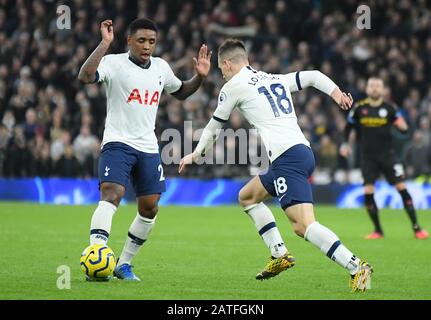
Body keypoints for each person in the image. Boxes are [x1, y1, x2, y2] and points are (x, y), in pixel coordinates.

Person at [179, 39, 372, 292]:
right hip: (298, 152)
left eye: (221, 69)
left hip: (287, 158)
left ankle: (356, 266)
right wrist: (335, 92)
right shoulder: (273, 78)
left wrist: (195, 154)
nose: (222, 74)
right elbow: (313, 76)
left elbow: (215, 126)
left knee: (303, 226)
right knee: (247, 197)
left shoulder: (232, 86)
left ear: (227, 63)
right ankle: (278, 253)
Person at [78, 18, 211, 281]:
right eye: (141, 40)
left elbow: (181, 92)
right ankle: (98, 253)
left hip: (148, 147)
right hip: (117, 142)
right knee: (111, 193)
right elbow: (85, 76)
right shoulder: (114, 62)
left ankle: (123, 264)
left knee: (150, 208)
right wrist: (104, 43)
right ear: (129, 41)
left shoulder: (160, 67)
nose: (147, 46)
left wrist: (200, 76)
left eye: (151, 41)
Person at [340, 77, 428, 240]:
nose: (374, 88)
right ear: (367, 89)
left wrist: (403, 127)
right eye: (371, 85)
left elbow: (404, 128)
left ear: (382, 90)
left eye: (377, 86)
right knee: (368, 191)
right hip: (368, 158)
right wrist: (345, 144)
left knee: (401, 188)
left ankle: (417, 228)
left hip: (388, 156)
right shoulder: (360, 108)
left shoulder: (390, 109)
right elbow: (348, 126)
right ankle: (378, 230)